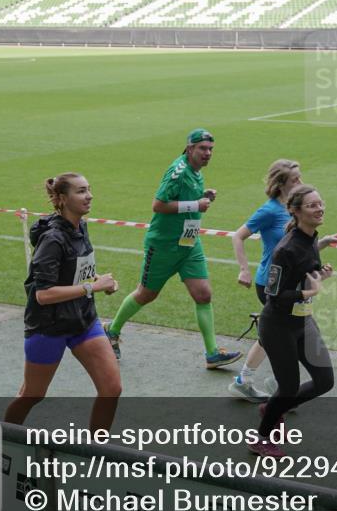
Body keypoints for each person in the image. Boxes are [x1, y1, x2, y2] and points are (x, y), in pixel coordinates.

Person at [103, 129, 241, 369]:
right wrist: (195, 203)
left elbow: (186, 199)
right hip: (163, 246)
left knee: (203, 294)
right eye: (202, 149)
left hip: (189, 243)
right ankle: (111, 331)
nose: (208, 153)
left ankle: (211, 353)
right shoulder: (177, 172)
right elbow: (158, 205)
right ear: (189, 149)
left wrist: (203, 196)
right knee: (146, 294)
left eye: (210, 149)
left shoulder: (196, 172)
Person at [5, 173, 122, 432]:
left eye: (89, 189)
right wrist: (93, 286)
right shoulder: (52, 239)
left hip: (83, 320)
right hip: (49, 326)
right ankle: (3, 440)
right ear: (61, 199)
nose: (89, 195)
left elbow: (76, 273)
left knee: (111, 389)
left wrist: (99, 280)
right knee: (32, 395)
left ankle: (95, 450)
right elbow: (43, 295)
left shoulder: (81, 226)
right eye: (81, 191)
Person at [230, 159, 337, 402]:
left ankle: (258, 381)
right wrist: (244, 270)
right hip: (270, 283)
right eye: (295, 179)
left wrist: (323, 242)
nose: (300, 182)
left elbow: (298, 247)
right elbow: (238, 237)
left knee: (276, 335)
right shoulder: (270, 210)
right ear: (281, 185)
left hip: (293, 283)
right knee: (279, 333)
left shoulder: (294, 209)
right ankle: (271, 386)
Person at [249, 185, 336, 458]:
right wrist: (307, 291)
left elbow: (304, 273)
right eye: (312, 205)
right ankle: (261, 437)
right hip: (278, 326)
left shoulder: (311, 238)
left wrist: (319, 275)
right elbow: (273, 295)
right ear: (295, 211)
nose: (319, 208)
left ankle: (273, 408)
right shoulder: (284, 249)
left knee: (325, 380)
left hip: (303, 321)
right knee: (287, 387)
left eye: (320, 203)